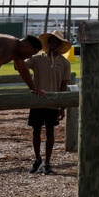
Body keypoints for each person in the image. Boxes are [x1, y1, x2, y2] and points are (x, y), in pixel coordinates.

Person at [24, 32, 71, 174]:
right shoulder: (37, 59)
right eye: (50, 41)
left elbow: (63, 87)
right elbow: (21, 65)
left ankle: (48, 162)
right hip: (37, 101)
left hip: (53, 103)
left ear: (60, 45)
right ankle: (37, 158)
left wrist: (62, 107)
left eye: (55, 42)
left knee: (50, 132)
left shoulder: (64, 63)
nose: (52, 44)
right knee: (36, 131)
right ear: (47, 43)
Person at [0, 34, 45, 111]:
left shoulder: (15, 47)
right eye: (31, 54)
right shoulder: (9, 47)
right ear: (25, 46)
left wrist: (33, 88)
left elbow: (22, 69)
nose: (30, 57)